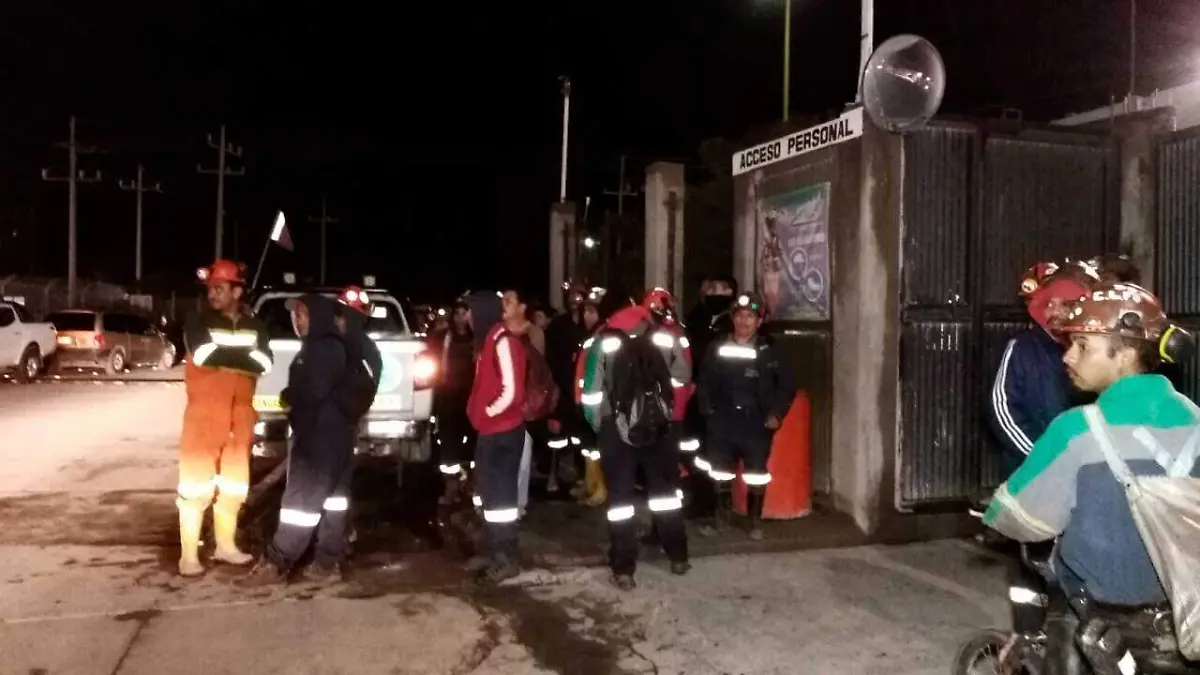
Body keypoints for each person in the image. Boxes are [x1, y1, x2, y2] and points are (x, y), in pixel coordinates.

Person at [983, 281, 1198, 671]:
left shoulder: (1077, 429)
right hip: (1185, 612)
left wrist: (996, 514)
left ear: (1126, 354)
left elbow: (1023, 517)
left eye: (1082, 346)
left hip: (1103, 615)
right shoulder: (1195, 420)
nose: (1068, 356)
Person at [241, 293, 370, 585]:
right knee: (334, 500)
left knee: (300, 503)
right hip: (337, 436)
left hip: (317, 439)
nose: (296, 321)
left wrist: (289, 398)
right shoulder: (335, 346)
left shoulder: (320, 349)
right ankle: (326, 563)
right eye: (295, 315)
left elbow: (310, 392)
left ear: (318, 317)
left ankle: (277, 562)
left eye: (302, 314)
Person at [579, 294, 691, 590]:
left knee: (621, 500)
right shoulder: (664, 335)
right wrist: (662, 405)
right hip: (658, 425)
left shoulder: (602, 341)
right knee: (665, 492)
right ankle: (678, 555)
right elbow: (682, 376)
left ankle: (624, 569)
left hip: (615, 430)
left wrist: (602, 424)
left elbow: (590, 393)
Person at [177, 259, 272, 577]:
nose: (212, 294)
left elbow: (265, 362)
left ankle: (225, 547)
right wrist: (244, 358)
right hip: (204, 416)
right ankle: (188, 557)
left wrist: (225, 356)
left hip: (240, 417)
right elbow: (203, 354)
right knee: (195, 487)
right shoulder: (198, 321)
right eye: (211, 289)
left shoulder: (255, 325)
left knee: (234, 486)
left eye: (220, 288)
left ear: (237, 292)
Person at [695, 292, 796, 540]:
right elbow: (705, 380)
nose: (744, 321)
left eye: (750, 316)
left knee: (756, 474)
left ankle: (754, 523)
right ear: (733, 318)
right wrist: (707, 409)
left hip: (756, 421)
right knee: (720, 472)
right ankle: (721, 521)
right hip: (723, 420)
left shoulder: (770, 349)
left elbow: (786, 385)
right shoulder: (717, 346)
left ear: (759, 321)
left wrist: (776, 413)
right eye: (740, 316)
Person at [989, 259, 1098, 479]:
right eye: (1049, 303)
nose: (1054, 312)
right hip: (1030, 476)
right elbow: (1002, 409)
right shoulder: (1022, 348)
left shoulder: (1099, 352)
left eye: (1066, 304)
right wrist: (1042, 459)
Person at [465, 289, 529, 585]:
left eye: (472, 311)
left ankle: (506, 559)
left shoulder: (503, 342)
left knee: (502, 500)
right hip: (490, 430)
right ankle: (493, 552)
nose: (468, 317)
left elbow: (512, 391)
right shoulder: (489, 341)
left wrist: (488, 412)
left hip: (503, 431)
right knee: (489, 496)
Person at [435, 297, 476, 503]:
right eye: (457, 313)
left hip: (472, 398)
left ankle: (471, 484)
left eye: (464, 313)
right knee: (449, 444)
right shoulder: (443, 337)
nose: (461, 318)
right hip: (449, 398)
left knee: (473, 443)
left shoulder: (477, 339)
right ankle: (451, 487)